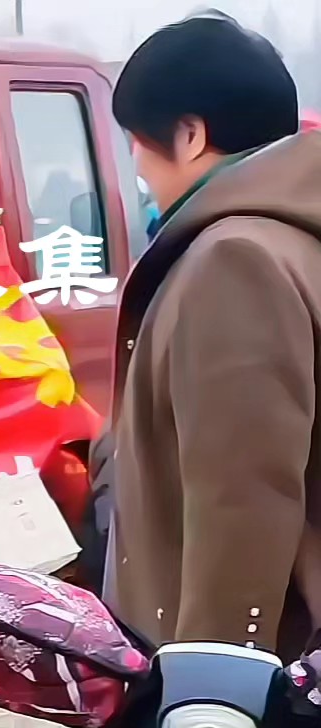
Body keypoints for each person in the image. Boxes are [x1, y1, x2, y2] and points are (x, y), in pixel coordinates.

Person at [108, 13, 313, 660]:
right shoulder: (291, 239)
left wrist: (216, 681)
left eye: (137, 141)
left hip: (255, 684)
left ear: (190, 135)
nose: (136, 166)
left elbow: (242, 496)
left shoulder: (234, 259)